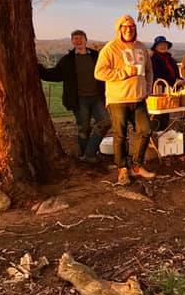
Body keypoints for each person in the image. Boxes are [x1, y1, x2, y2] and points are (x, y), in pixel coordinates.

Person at [94, 15, 155, 185]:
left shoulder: (141, 47)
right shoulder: (111, 48)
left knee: (146, 130)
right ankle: (122, 169)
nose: (129, 30)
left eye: (132, 27)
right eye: (125, 27)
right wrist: (124, 73)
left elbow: (149, 70)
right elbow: (99, 72)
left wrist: (148, 88)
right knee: (120, 135)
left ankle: (137, 165)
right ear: (119, 28)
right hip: (118, 99)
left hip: (139, 98)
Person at [38, 29, 110, 163]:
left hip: (97, 98)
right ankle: (87, 157)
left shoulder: (96, 56)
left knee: (106, 122)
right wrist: (39, 69)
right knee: (84, 128)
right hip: (79, 99)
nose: (78, 40)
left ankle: (89, 153)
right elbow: (56, 74)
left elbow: (107, 72)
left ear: (85, 40)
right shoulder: (68, 60)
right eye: (75, 38)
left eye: (80, 38)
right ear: (72, 42)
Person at [150, 35, 180, 132]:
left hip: (169, 92)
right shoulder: (153, 60)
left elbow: (175, 74)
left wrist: (180, 80)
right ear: (156, 47)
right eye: (160, 45)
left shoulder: (170, 59)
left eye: (164, 44)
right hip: (158, 91)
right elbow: (156, 75)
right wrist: (172, 81)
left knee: (166, 115)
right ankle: (155, 135)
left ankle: (162, 136)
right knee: (158, 116)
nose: (163, 46)